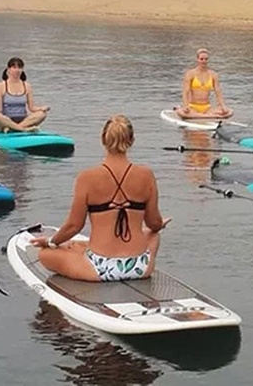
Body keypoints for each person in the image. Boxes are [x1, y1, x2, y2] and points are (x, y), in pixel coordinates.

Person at [30, 115, 169, 282]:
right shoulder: (146, 175)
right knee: (153, 235)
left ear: (103, 139)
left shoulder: (87, 178)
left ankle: (80, 249)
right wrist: (161, 224)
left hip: (100, 268)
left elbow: (74, 226)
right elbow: (154, 223)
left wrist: (51, 242)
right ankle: (84, 248)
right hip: (140, 266)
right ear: (132, 140)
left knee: (45, 254)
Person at [0, 57, 50, 132]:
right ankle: (22, 129)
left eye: (20, 68)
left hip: (23, 120)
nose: (17, 70)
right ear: (8, 69)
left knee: (42, 114)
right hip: (7, 120)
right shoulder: (1, 86)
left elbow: (32, 108)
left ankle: (15, 128)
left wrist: (42, 108)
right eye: (14, 67)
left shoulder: (27, 86)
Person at [174, 48, 232, 119]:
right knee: (182, 113)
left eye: (206, 59)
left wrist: (223, 106)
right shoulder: (190, 73)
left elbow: (218, 92)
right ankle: (211, 116)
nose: (204, 61)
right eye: (201, 59)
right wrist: (186, 106)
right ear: (197, 59)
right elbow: (186, 91)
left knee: (230, 112)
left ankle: (204, 115)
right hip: (192, 106)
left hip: (207, 108)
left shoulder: (213, 74)